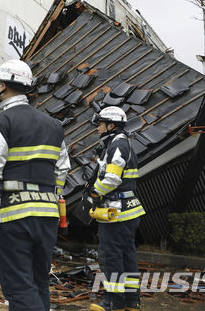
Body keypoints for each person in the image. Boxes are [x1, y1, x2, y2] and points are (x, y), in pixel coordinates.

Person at [0, 60, 70, 311]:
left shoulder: (3, 122)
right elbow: (63, 168)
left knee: (20, 288)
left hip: (14, 218)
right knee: (38, 282)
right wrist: (50, 196)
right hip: (47, 217)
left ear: (2, 86)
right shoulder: (54, 126)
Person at [88, 106, 145, 311]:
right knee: (127, 256)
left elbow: (112, 178)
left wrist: (95, 193)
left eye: (100, 125)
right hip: (127, 211)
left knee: (110, 257)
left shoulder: (118, 144)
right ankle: (131, 302)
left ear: (110, 125)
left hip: (116, 212)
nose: (98, 129)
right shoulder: (121, 143)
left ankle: (113, 303)